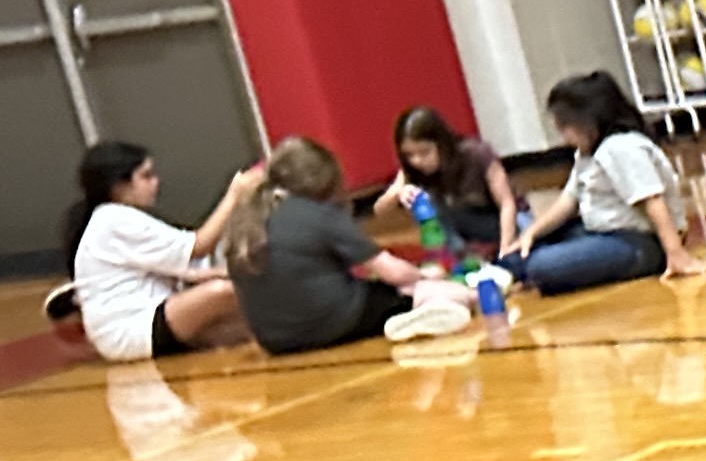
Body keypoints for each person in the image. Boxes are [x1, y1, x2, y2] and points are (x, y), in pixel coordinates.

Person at [227, 137, 438, 354]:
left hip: (275, 341)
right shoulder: (317, 214)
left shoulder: (247, 220)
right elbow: (394, 273)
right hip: (337, 323)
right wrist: (425, 276)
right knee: (418, 290)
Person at [64, 141, 260, 361]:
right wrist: (234, 195)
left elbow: (180, 269)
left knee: (243, 327)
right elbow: (199, 246)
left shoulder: (117, 218)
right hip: (131, 328)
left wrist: (226, 272)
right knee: (223, 292)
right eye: (146, 176)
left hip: (150, 317)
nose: (156, 182)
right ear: (119, 186)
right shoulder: (113, 219)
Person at [507, 74, 702, 293]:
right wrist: (531, 233)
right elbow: (568, 200)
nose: (563, 137)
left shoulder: (622, 147)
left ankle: (529, 270)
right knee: (517, 250)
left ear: (587, 121)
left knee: (542, 266)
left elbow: (653, 201)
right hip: (600, 231)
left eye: (564, 127)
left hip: (641, 241)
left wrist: (675, 252)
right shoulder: (587, 152)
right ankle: (521, 267)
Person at [370, 105, 527, 261]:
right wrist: (399, 191)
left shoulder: (477, 153)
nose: (417, 161)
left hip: (510, 220)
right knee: (430, 204)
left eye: (424, 152)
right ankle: (464, 259)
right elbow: (380, 210)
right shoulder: (412, 169)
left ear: (441, 144)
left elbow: (507, 204)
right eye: (409, 155)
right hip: (468, 231)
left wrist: (506, 249)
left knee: (522, 260)